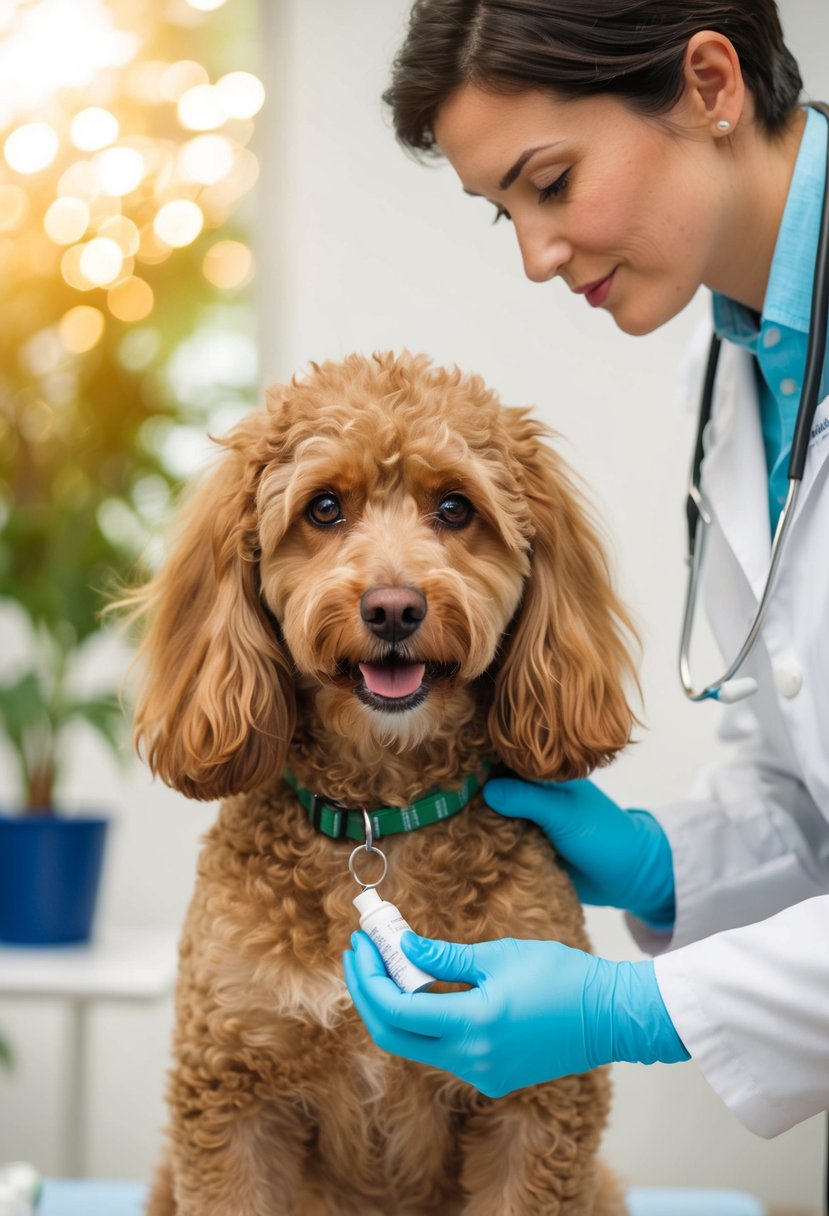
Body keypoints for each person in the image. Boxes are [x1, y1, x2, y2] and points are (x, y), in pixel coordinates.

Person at [342, 0, 829, 1142]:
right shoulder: (734, 370)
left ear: (710, 84)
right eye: (500, 212)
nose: (534, 257)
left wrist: (639, 1003)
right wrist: (663, 868)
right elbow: (807, 792)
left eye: (549, 184)